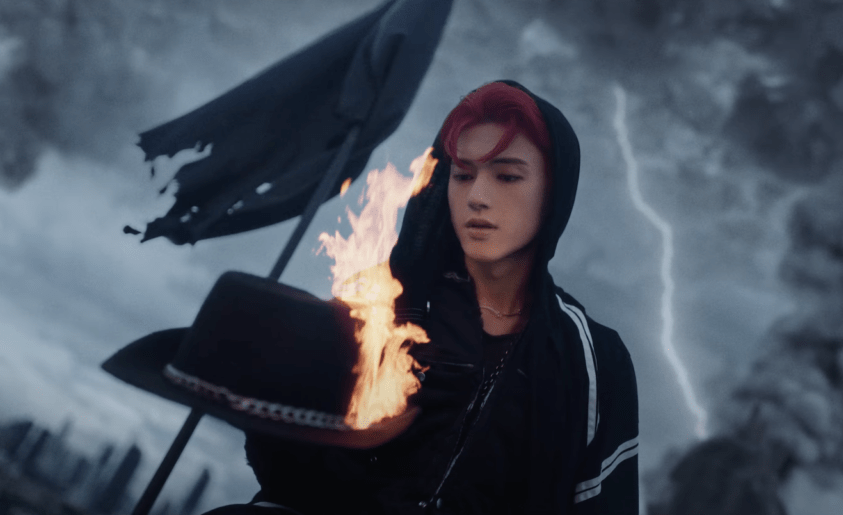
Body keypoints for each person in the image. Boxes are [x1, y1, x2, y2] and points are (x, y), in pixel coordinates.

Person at [243, 80, 639, 514]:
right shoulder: (377, 303)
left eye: (507, 176)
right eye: (463, 175)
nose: (478, 197)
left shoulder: (592, 359)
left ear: (554, 192)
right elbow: (288, 475)